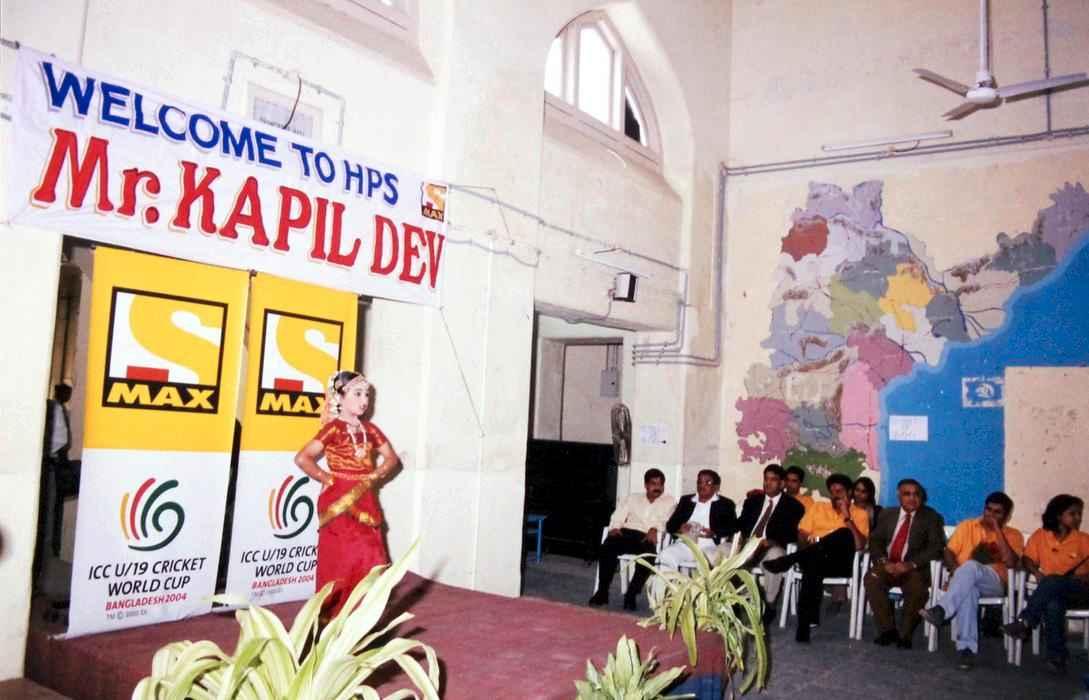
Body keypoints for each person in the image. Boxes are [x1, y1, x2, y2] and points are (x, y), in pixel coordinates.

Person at [294, 371, 400, 619]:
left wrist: (374, 476)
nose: (364, 401)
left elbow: (392, 458)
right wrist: (327, 478)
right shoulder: (333, 429)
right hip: (338, 501)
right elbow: (302, 458)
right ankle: (333, 618)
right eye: (358, 394)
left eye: (367, 395)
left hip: (366, 498)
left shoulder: (370, 429)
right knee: (341, 557)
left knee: (371, 556)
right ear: (340, 397)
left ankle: (364, 616)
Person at [920, 492, 1023, 671]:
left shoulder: (1013, 535)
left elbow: (1011, 562)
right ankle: (966, 650)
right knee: (969, 591)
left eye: (997, 512)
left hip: (995, 583)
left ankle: (942, 610)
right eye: (988, 510)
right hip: (964, 580)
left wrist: (997, 530)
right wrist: (956, 572)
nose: (991, 515)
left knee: (970, 565)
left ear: (1006, 516)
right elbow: (949, 552)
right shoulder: (967, 526)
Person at [764, 473, 869, 642]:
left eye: (840, 491)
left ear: (849, 492)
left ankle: (790, 559)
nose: (835, 495)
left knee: (843, 533)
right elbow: (802, 533)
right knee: (813, 563)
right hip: (814, 556)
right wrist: (810, 543)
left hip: (840, 563)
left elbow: (858, 545)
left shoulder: (860, 514)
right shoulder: (819, 507)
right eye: (832, 492)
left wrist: (847, 517)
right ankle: (803, 627)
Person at [1003, 494, 1089, 674]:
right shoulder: (1041, 535)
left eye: (1079, 514)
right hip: (1051, 592)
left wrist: (1084, 577)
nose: (1078, 518)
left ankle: (1026, 621)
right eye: (1072, 514)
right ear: (1058, 515)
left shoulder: (1083, 539)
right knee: (1052, 603)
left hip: (1079, 591)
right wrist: (1036, 572)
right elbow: (1027, 559)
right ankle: (1057, 657)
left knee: (1052, 580)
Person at [863, 478, 945, 649]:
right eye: (907, 494)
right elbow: (875, 540)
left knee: (917, 588)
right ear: (898, 495)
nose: (912, 498)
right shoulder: (887, 514)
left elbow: (936, 547)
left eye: (916, 494)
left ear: (921, 496)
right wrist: (884, 562)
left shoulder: (931, 517)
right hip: (888, 564)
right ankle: (887, 630)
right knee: (872, 578)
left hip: (914, 569)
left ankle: (905, 635)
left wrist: (910, 564)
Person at [589, 468, 676, 610]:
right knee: (607, 548)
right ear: (646, 485)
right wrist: (615, 527)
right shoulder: (633, 498)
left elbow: (668, 520)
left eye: (660, 484)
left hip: (647, 536)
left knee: (648, 556)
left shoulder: (669, 501)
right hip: (627, 533)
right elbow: (619, 514)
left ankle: (631, 594)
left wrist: (655, 528)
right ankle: (602, 591)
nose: (657, 487)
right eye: (653, 484)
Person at [733, 464, 805, 621]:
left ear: (782, 483)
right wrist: (739, 538)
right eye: (766, 479)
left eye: (773, 480)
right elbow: (740, 525)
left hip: (770, 547)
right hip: (747, 545)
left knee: (776, 555)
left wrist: (771, 542)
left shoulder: (793, 506)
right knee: (722, 550)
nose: (768, 483)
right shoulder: (753, 501)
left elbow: (790, 534)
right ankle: (732, 598)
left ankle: (769, 603)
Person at [658, 470, 737, 573]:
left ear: (716, 487)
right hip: (686, 545)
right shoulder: (686, 501)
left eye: (708, 482)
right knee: (666, 555)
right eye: (699, 482)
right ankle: (666, 583)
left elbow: (732, 528)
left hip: (710, 546)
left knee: (705, 561)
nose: (702, 485)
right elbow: (670, 526)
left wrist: (713, 533)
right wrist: (680, 528)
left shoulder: (725, 504)